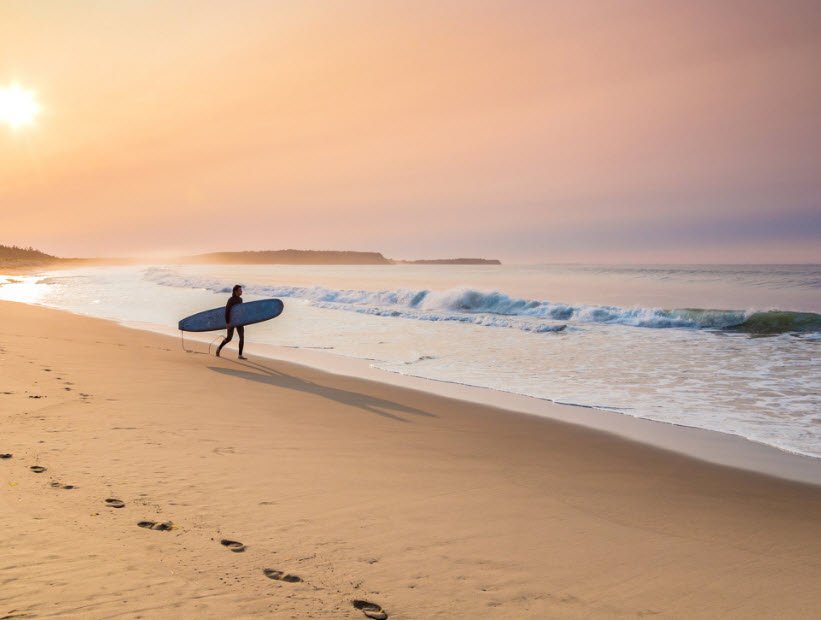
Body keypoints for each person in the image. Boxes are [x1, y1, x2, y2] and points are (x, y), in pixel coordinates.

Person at [216, 284, 247, 359]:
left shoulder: (240, 300)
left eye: (241, 290)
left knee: (242, 337)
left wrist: (244, 320)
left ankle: (240, 355)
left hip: (239, 321)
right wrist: (228, 322)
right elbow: (227, 311)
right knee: (229, 338)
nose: (241, 291)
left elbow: (240, 310)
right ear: (236, 291)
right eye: (240, 290)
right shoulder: (231, 300)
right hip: (231, 321)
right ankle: (219, 348)